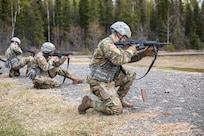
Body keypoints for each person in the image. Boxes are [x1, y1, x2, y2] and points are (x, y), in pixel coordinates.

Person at [78, 21, 157, 115]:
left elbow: (126, 58)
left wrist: (144, 53)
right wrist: (131, 50)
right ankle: (89, 103)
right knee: (116, 109)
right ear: (119, 34)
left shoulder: (115, 46)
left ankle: (119, 100)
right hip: (99, 82)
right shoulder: (107, 44)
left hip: (109, 78)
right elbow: (119, 60)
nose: (125, 40)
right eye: (124, 37)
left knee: (130, 75)